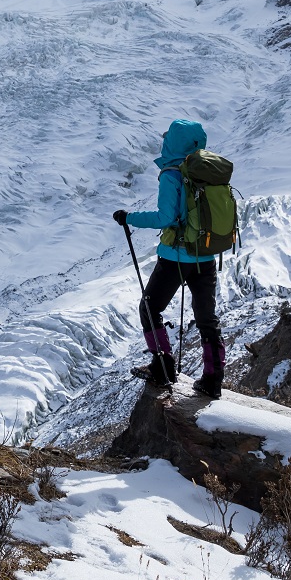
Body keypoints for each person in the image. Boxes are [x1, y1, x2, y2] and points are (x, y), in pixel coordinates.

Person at [112, 119, 226, 397]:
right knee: (206, 319)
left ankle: (162, 367)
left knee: (149, 309)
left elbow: (166, 218)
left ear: (171, 144)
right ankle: (213, 380)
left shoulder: (172, 174)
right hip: (205, 255)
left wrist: (129, 217)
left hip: (176, 257)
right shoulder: (208, 170)